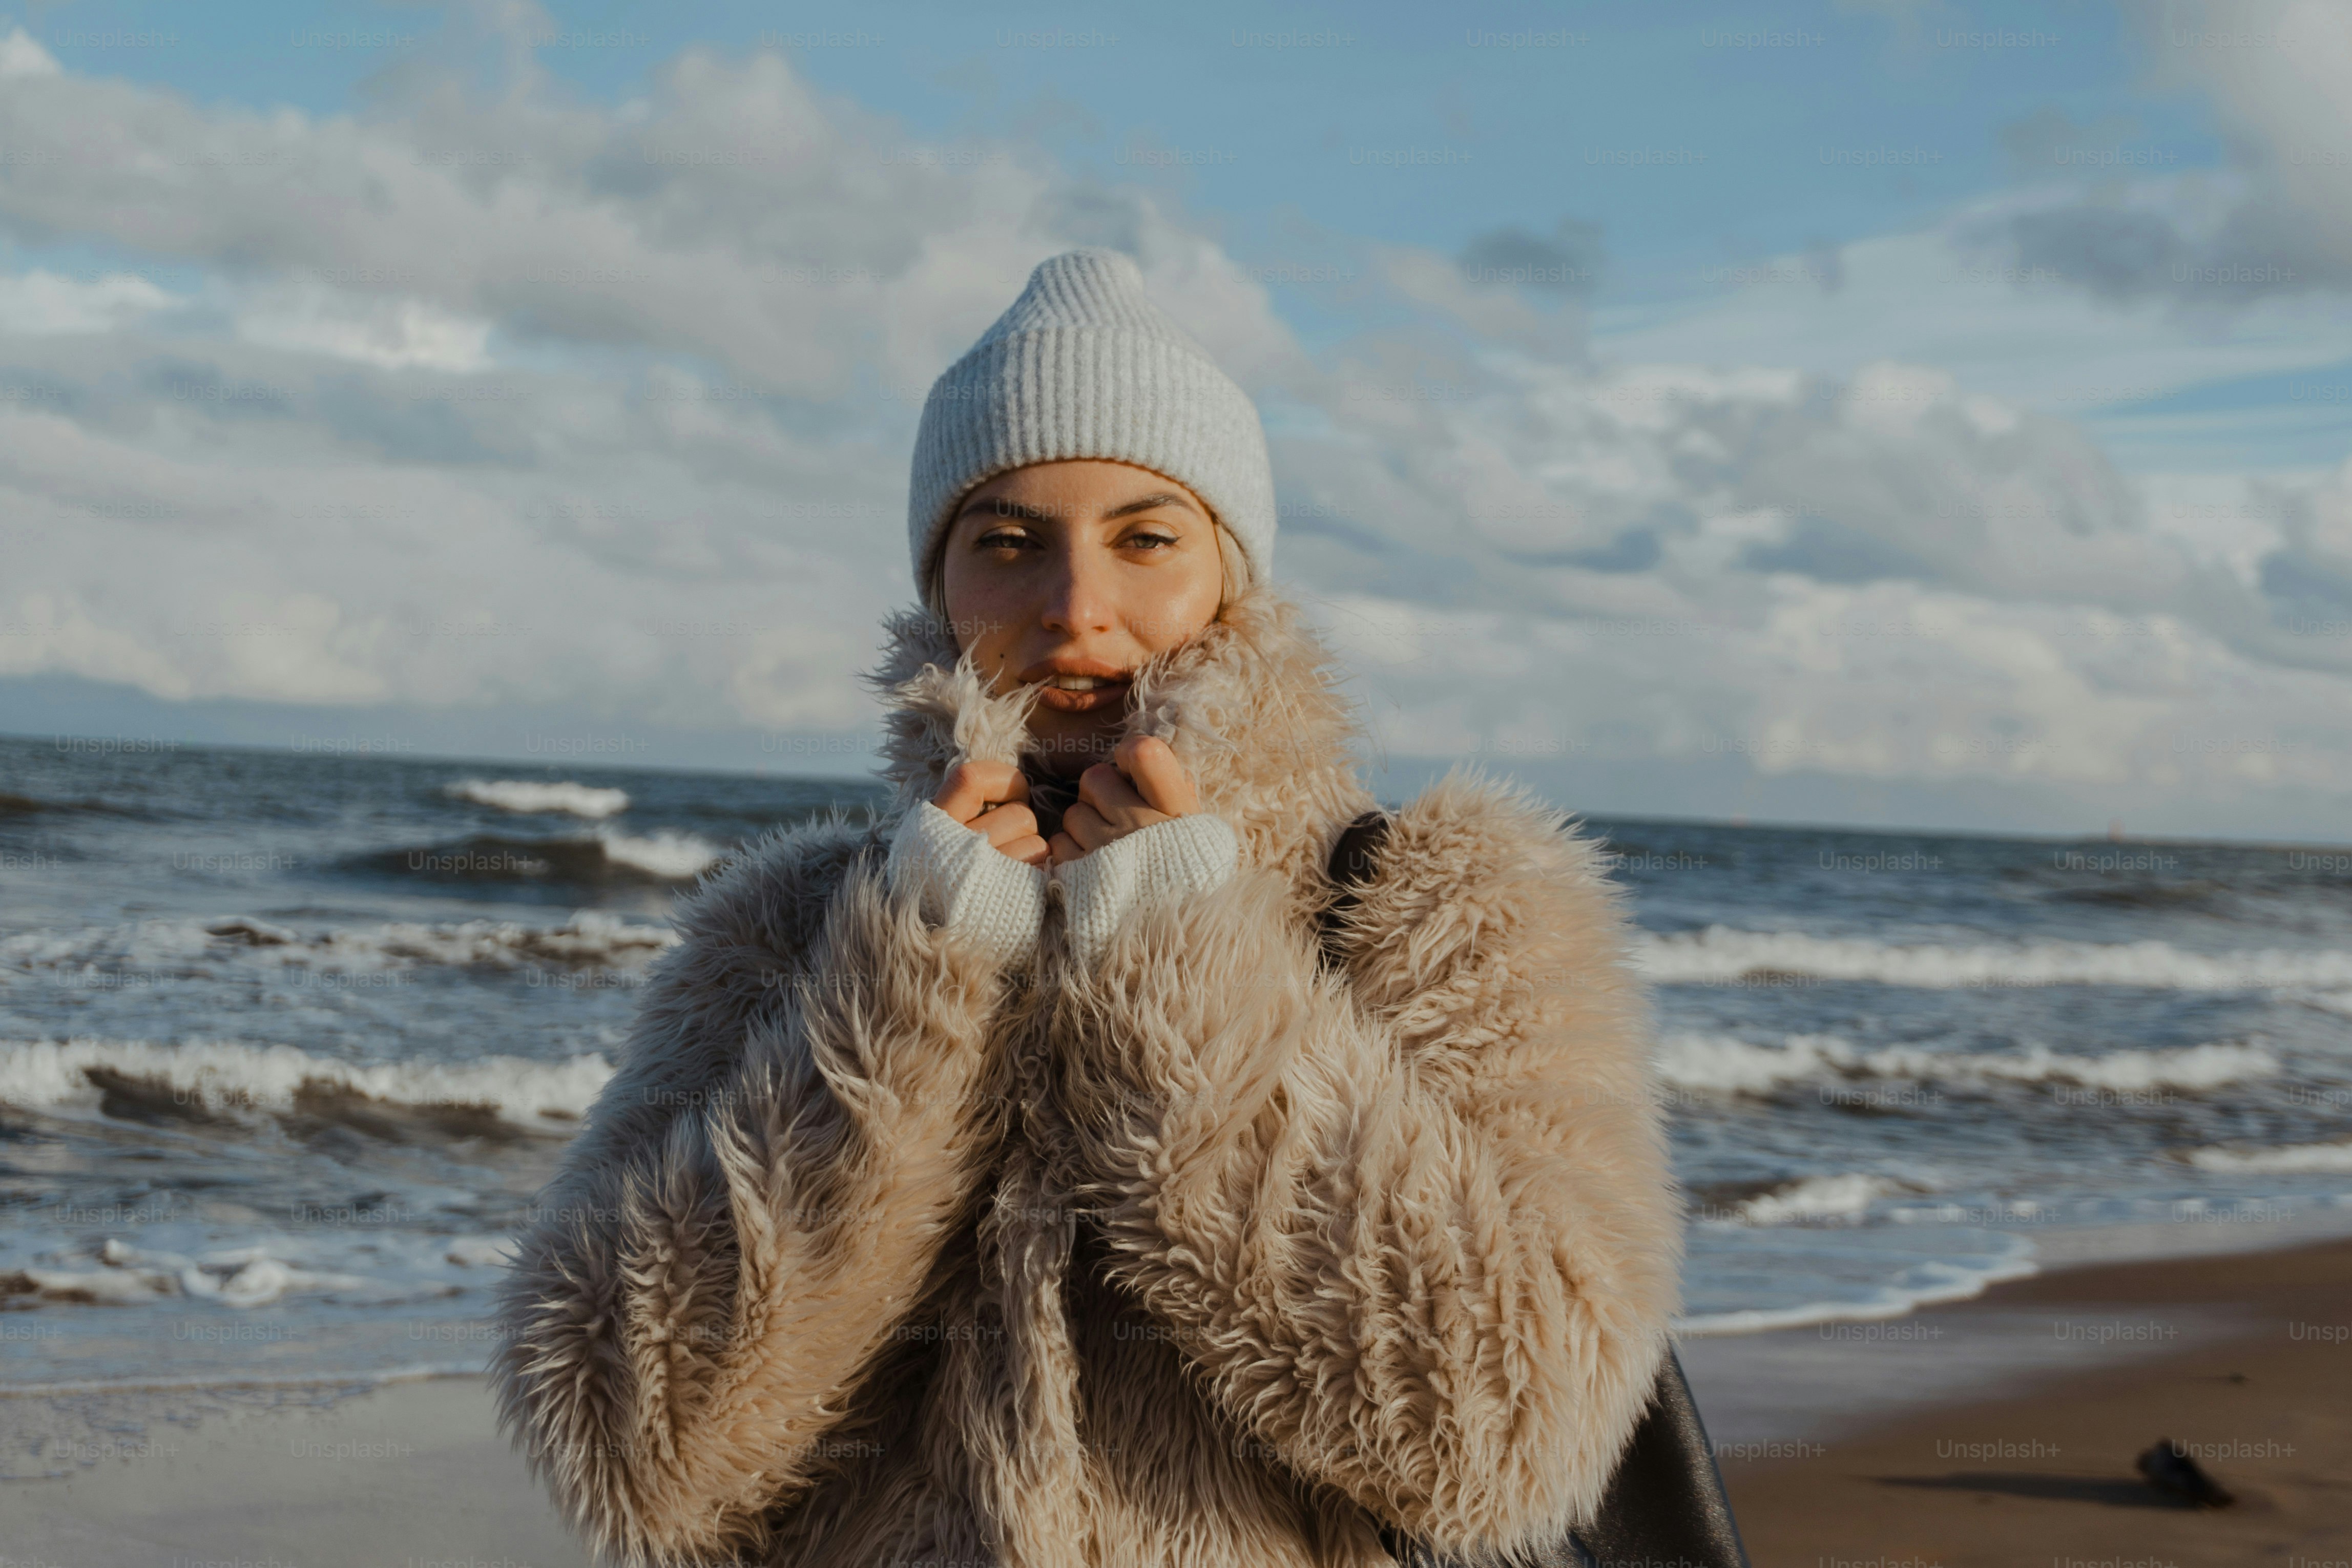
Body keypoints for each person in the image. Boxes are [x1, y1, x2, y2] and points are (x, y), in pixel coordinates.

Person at [490, 249, 1684, 1568]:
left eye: (1146, 538)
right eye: (1007, 543)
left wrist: (1181, 962)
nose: (1074, 609)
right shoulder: (799, 926)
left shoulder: (1438, 897)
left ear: (1232, 577)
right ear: (940, 589)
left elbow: (1510, 1432)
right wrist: (912, 988)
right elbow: (632, 1445)